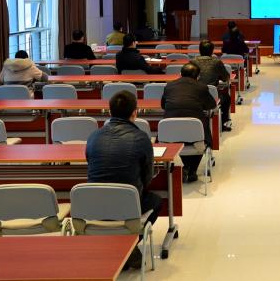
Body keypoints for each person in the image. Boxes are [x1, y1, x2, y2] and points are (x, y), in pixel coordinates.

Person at [85, 90, 160, 269]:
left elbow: (90, 164)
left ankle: (117, 246)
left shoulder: (93, 136)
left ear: (110, 112)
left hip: (93, 205)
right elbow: (147, 178)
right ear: (135, 112)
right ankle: (129, 247)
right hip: (128, 204)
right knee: (156, 201)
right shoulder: (141, 138)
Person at [161, 63, 216, 182]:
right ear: (198, 76)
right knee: (200, 134)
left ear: (180, 74)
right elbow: (211, 105)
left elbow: (163, 106)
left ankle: (187, 167)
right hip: (195, 134)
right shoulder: (201, 87)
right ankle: (192, 170)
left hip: (170, 133)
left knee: (183, 135)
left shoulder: (169, 86)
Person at [190, 40, 232, 132]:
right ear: (212, 51)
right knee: (227, 98)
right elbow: (225, 78)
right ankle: (223, 123)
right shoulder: (217, 62)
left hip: (193, 94)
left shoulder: (192, 61)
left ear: (199, 50)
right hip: (211, 95)